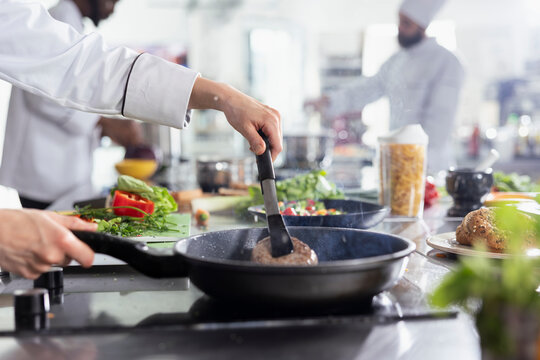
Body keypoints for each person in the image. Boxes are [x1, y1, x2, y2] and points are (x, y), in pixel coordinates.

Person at [0, 0, 282, 279]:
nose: (114, 7)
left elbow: (87, 67)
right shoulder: (60, 15)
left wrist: (225, 97)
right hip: (40, 174)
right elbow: (69, 76)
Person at [0, 0, 145, 211]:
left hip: (56, 173)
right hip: (43, 173)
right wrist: (103, 122)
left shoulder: (70, 23)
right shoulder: (58, 20)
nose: (112, 9)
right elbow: (44, 97)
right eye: (112, 1)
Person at [323, 0, 465, 173]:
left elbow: (440, 121)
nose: (400, 29)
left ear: (422, 26)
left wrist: (418, 162)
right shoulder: (397, 61)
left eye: (407, 24)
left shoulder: (447, 61)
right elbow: (368, 88)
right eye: (400, 22)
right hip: (397, 160)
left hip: (430, 165)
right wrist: (330, 100)